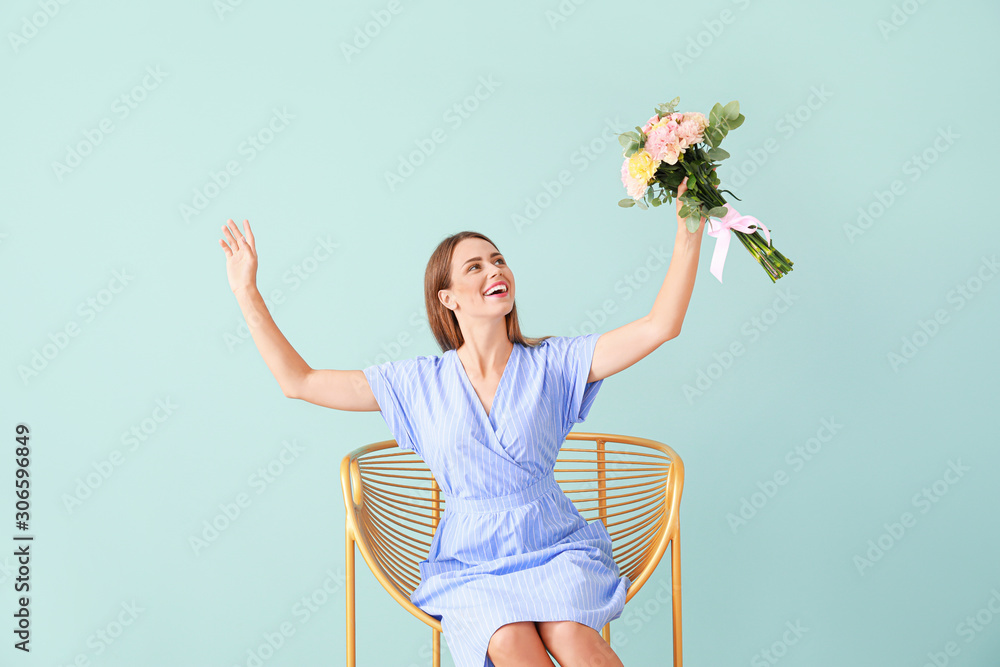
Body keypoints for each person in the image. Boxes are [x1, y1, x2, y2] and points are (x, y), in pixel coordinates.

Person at [218, 178, 705, 667]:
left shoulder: (554, 362)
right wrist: (246, 292)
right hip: (471, 561)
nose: (495, 270)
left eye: (498, 260)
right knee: (510, 639)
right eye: (475, 266)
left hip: (555, 545)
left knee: (574, 638)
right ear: (447, 297)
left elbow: (660, 325)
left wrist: (688, 231)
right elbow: (298, 381)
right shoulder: (415, 384)